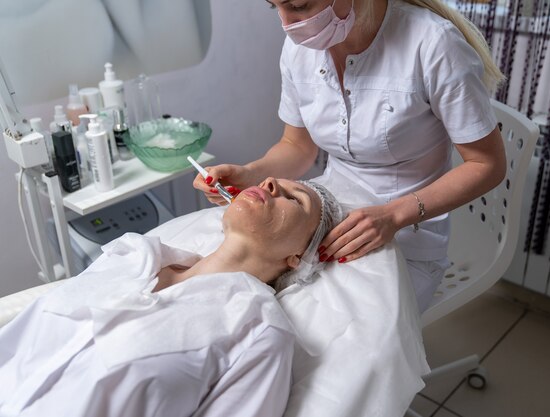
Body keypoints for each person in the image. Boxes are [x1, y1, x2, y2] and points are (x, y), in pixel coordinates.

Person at [193, 0, 507, 311]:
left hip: (406, 235)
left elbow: (487, 164)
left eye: (300, 5)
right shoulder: (298, 50)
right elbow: (297, 147)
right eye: (275, 7)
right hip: (323, 216)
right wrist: (250, 173)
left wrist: (394, 215)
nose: (288, 24)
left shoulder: (434, 45)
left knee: (319, 337)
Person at [0, 178, 342, 417]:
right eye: (274, 181)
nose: (270, 184)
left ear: (300, 254)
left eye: (294, 199)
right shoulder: (132, 253)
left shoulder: (259, 331)